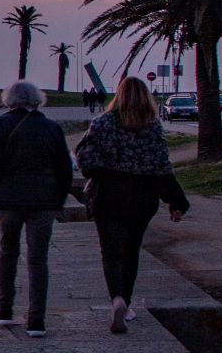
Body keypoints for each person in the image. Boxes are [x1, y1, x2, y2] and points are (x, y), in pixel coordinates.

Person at [74, 76, 189, 335]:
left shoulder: (102, 123)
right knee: (131, 250)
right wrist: (176, 201)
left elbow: (83, 156)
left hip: (107, 195)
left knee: (111, 252)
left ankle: (116, 298)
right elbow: (162, 167)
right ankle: (126, 302)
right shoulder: (152, 127)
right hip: (142, 197)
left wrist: (104, 169)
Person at [0, 80, 74, 336]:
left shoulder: (0, 125)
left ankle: (5, 309)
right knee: (38, 259)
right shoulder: (51, 127)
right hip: (43, 202)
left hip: (7, 202)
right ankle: (36, 320)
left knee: (8, 252)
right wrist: (59, 200)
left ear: (9, 101)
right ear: (36, 100)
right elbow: (65, 168)